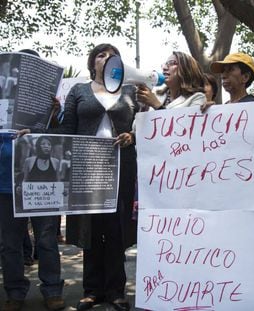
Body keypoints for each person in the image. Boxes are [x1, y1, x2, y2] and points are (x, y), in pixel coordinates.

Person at [54, 43, 146, 311]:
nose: (107, 59)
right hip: (86, 167)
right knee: (90, 228)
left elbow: (146, 125)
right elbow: (67, 128)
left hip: (122, 168)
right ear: (92, 62)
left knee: (116, 229)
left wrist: (133, 136)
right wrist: (38, 131)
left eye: (112, 56)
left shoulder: (130, 91)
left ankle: (116, 291)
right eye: (101, 55)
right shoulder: (79, 91)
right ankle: (92, 290)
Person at [0, 49, 65, 311]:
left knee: (47, 239)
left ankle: (52, 290)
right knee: (9, 243)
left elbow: (62, 133)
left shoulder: (50, 102)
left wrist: (55, 112)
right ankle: (15, 292)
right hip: (4, 180)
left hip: (41, 181)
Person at [136, 51, 206, 110]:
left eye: (171, 63)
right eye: (165, 64)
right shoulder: (156, 94)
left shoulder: (197, 98)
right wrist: (144, 107)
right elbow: (135, 126)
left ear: (186, 69)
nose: (164, 68)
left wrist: (156, 105)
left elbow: (188, 125)